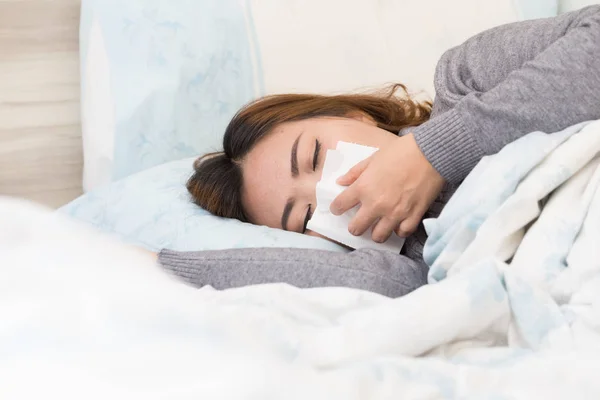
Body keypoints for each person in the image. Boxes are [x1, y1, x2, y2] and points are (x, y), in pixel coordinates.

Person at [158, 6, 600, 298]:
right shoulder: (424, 269)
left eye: (314, 156)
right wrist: (153, 266)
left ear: (354, 115)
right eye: (305, 217)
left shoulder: (465, 79)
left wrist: (432, 154)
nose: (336, 192)